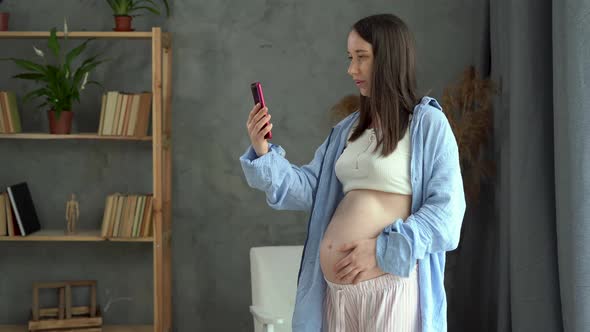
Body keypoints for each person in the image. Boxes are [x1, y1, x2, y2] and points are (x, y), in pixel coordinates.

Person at [240, 13, 466, 332]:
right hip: (338, 296)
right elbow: (307, 189)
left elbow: (447, 214)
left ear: (389, 59)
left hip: (390, 288)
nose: (351, 69)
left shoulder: (427, 124)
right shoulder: (347, 131)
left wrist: (382, 251)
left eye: (362, 57)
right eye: (350, 57)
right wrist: (262, 150)